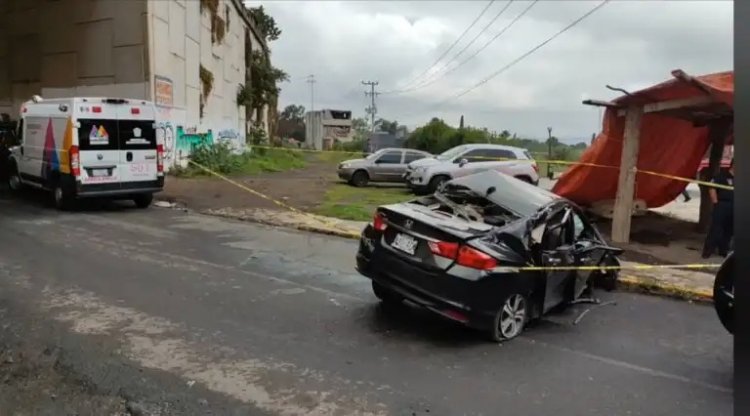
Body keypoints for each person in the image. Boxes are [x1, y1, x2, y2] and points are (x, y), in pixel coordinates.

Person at [702, 159, 734, 258]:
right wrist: (715, 202)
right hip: (722, 205)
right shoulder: (722, 175)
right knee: (716, 229)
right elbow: (712, 187)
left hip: (735, 206)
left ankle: (723, 250)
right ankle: (708, 251)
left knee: (729, 230)